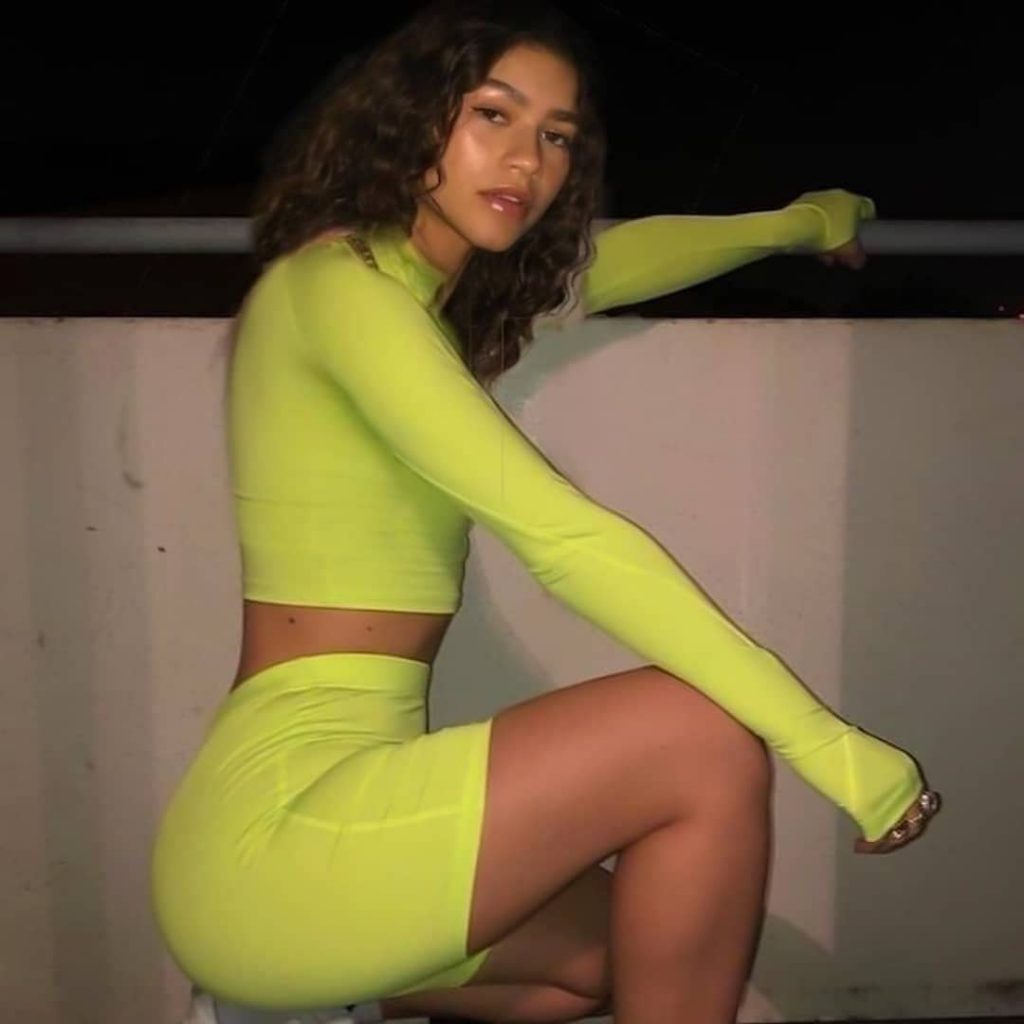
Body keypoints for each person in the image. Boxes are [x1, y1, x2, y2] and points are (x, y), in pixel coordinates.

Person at [150, 3, 940, 1023]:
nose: (527, 159)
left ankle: (316, 998)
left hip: (340, 803)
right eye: (493, 114)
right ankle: (290, 974)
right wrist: (835, 750)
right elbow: (564, 539)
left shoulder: (425, 296)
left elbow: (617, 263)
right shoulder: (340, 290)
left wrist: (802, 224)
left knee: (634, 947)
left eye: (557, 136)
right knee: (701, 739)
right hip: (275, 838)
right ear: (412, 118)